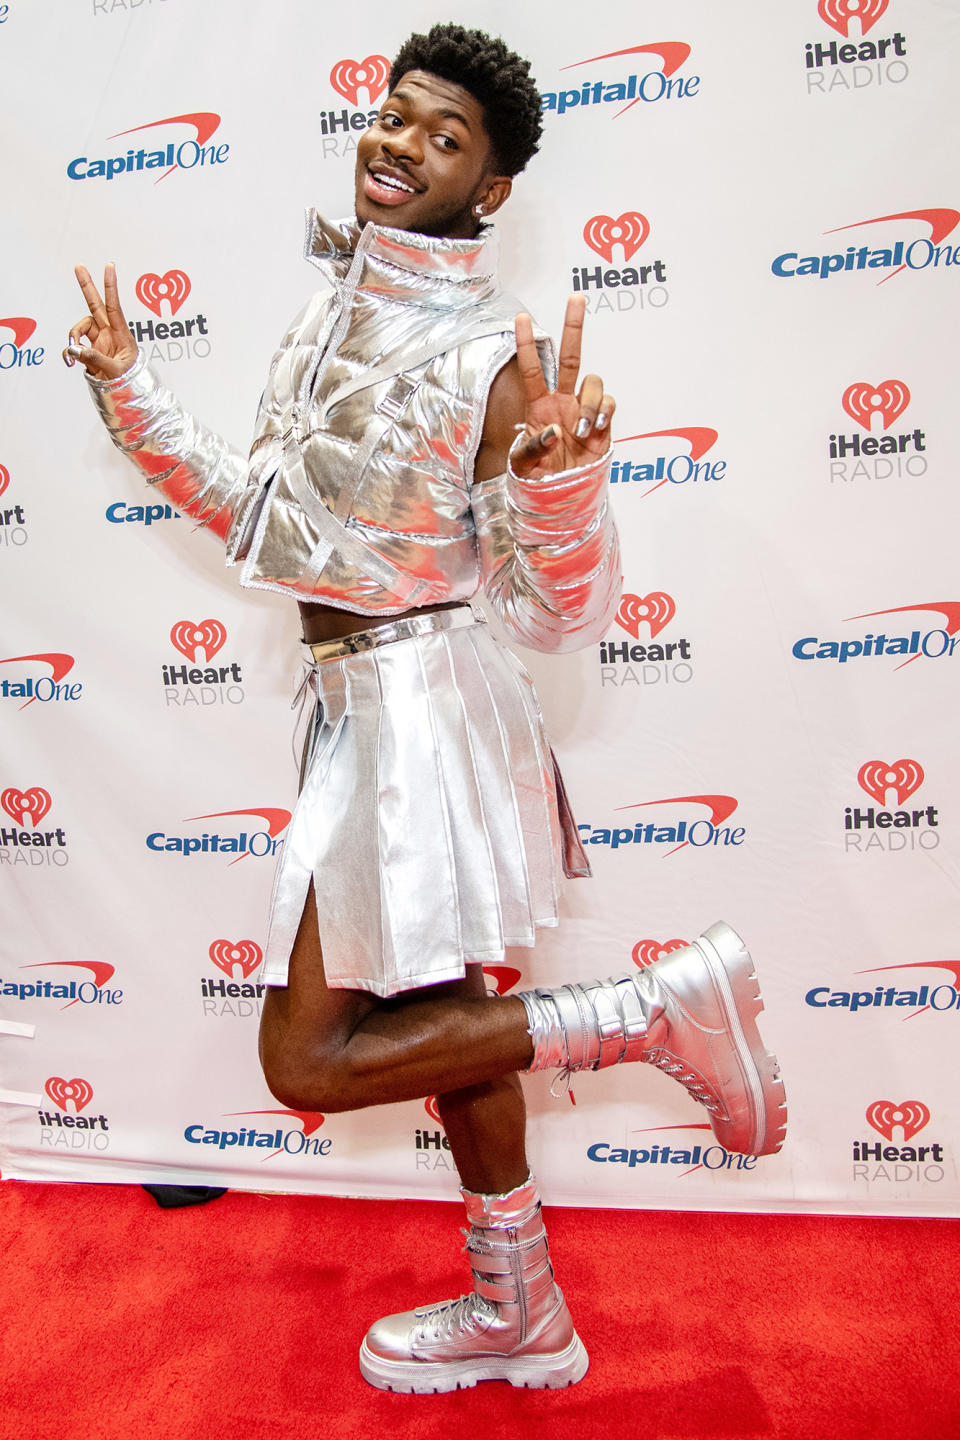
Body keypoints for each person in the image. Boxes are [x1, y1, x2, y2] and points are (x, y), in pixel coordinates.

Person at [65, 24, 785, 1395]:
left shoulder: (490, 363)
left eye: (443, 137)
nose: (399, 145)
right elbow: (262, 521)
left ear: (491, 190)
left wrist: (567, 487)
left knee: (308, 1058)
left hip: (423, 721)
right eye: (394, 117)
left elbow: (561, 616)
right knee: (447, 1028)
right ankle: (522, 1307)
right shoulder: (332, 311)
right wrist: (128, 393)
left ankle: (644, 1013)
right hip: (361, 707)